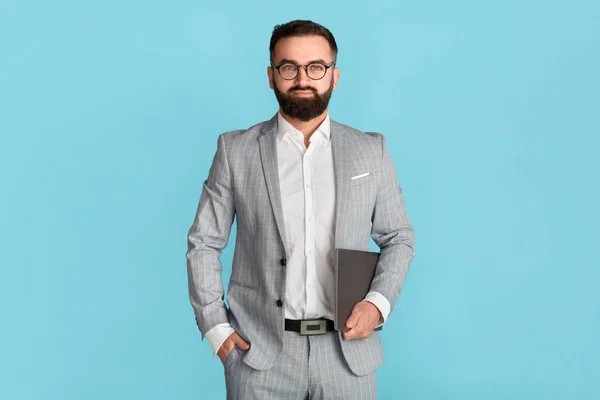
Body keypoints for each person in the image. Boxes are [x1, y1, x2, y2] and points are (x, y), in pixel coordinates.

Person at [186, 19, 415, 399]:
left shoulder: (370, 150)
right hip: (259, 357)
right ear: (271, 76)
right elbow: (204, 241)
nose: (303, 79)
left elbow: (399, 237)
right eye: (289, 67)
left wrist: (378, 304)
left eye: (316, 67)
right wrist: (216, 327)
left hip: (347, 355)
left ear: (334, 76)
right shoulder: (235, 150)